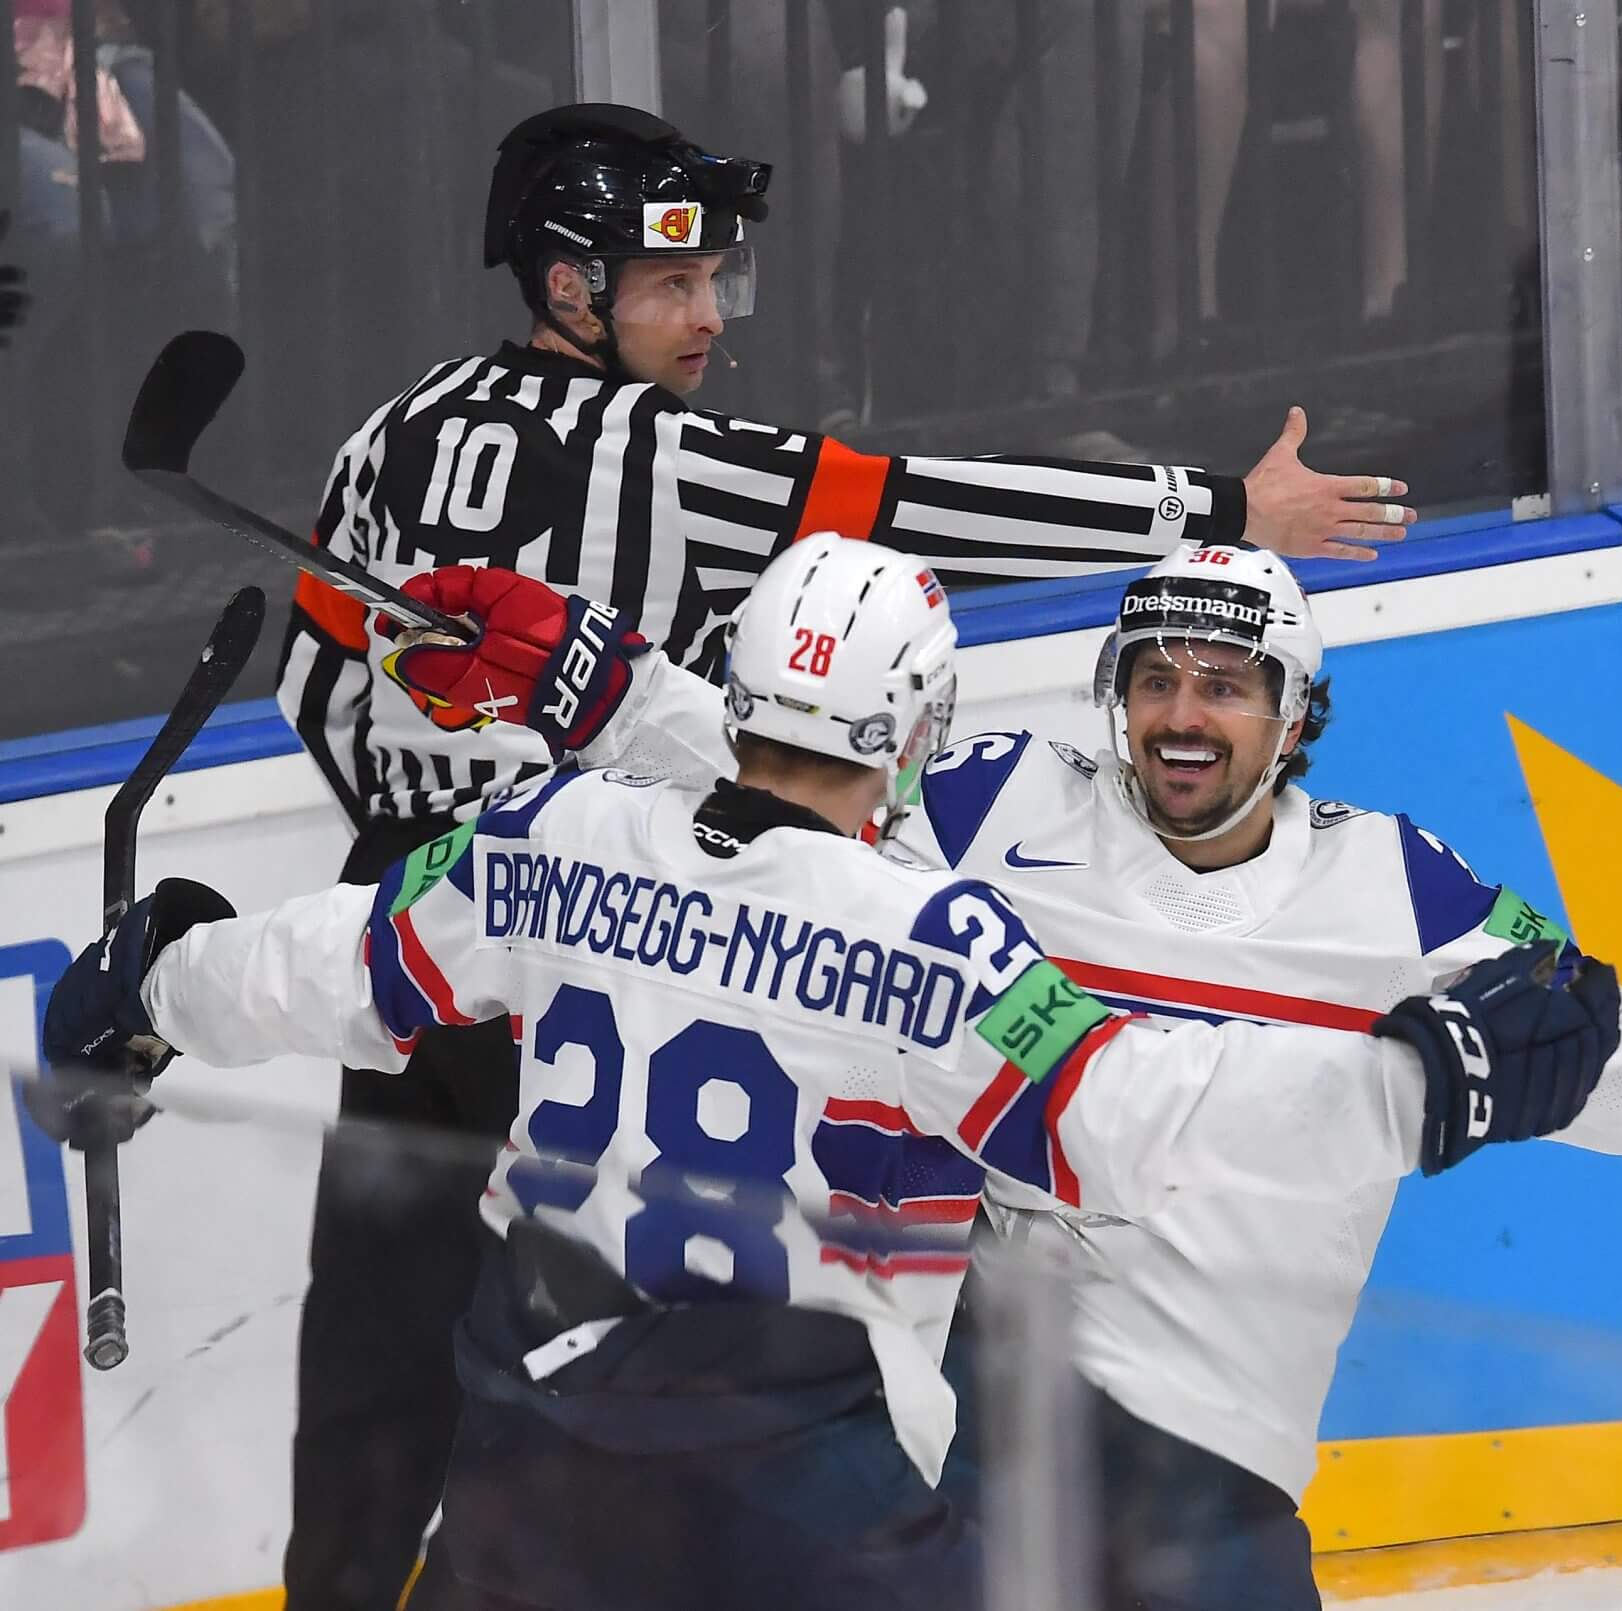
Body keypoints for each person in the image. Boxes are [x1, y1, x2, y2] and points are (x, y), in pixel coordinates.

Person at [380, 540, 1622, 1610]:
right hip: (982, 1397)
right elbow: (788, 795)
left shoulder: (1401, 895)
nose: (1186, 714)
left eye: (1226, 687)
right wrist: (598, 685)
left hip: (1207, 1438)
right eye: (1158, 678)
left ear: (1292, 717)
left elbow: (1591, 1053)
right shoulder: (995, 812)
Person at [271, 99, 1419, 1611]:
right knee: (725, 1353)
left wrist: (436, 826)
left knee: (380, 1349)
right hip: (607, 947)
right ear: (568, 287)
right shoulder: (666, 453)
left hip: (417, 932)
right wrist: (1215, 508)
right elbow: (923, 505)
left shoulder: (393, 427)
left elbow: (312, 686)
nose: (709, 317)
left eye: (712, 279)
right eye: (672, 283)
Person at [34, 534, 1616, 1611]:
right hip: (801, 1498)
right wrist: (1427, 1077)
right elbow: (1142, 1120)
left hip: (533, 1470)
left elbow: (326, 967)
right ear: (916, 727)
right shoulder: (941, 941)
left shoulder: (547, 835)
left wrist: (146, 982)